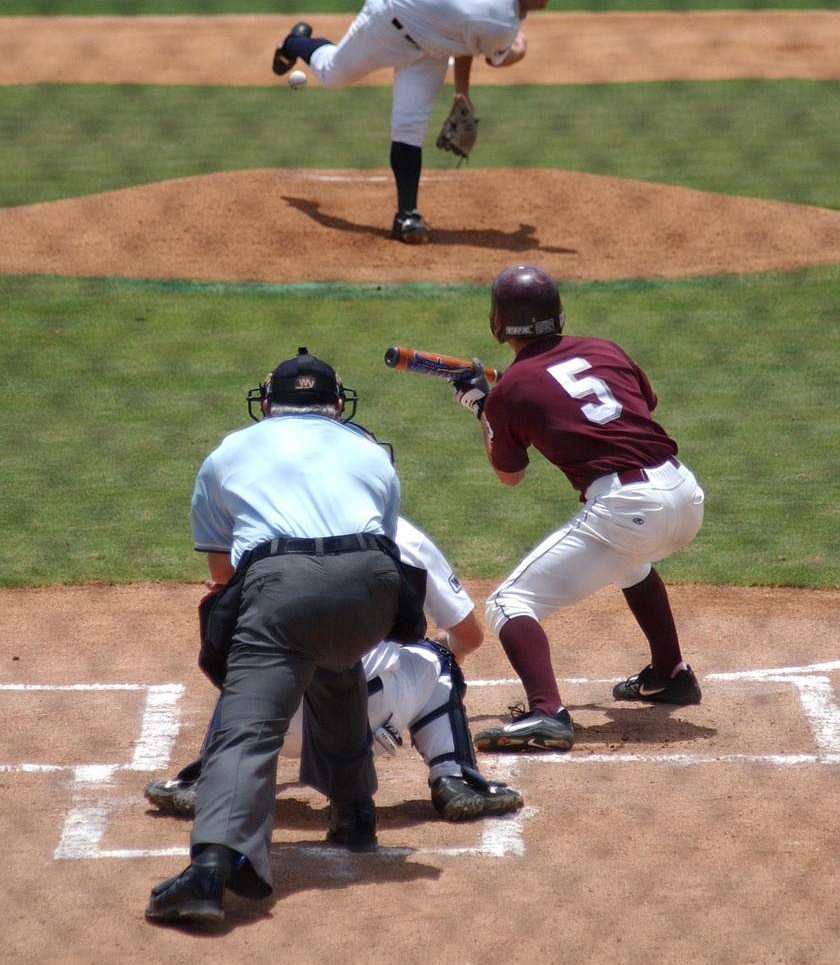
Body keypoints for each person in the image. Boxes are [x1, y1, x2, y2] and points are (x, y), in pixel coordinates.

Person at [145, 347, 412, 926]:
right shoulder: (372, 452)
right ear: (337, 404)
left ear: (267, 404)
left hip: (283, 589)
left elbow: (223, 574)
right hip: (373, 591)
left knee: (248, 726)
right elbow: (382, 543)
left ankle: (210, 867)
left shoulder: (229, 451)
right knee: (337, 663)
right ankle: (355, 815)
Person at [450, 264, 705, 754]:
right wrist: (506, 398)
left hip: (627, 507)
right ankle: (670, 673)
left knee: (508, 603)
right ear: (558, 313)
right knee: (629, 561)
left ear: (498, 323)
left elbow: (509, 475)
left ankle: (547, 712)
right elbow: (637, 404)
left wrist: (486, 409)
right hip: (684, 493)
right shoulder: (605, 349)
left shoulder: (512, 391)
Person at [144, 516, 523, 823]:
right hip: (370, 720)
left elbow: (220, 629)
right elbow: (469, 637)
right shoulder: (401, 534)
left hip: (271, 719)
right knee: (438, 658)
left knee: (250, 656)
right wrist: (437, 648)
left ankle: (210, 779)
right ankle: (455, 779)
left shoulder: (263, 529)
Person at [270, 0, 563, 244]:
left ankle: (407, 216)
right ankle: (295, 42)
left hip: (432, 47)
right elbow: (492, 56)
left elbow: (462, 39)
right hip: (388, 24)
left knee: (409, 124)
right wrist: (519, 50)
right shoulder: (500, 22)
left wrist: (461, 95)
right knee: (331, 74)